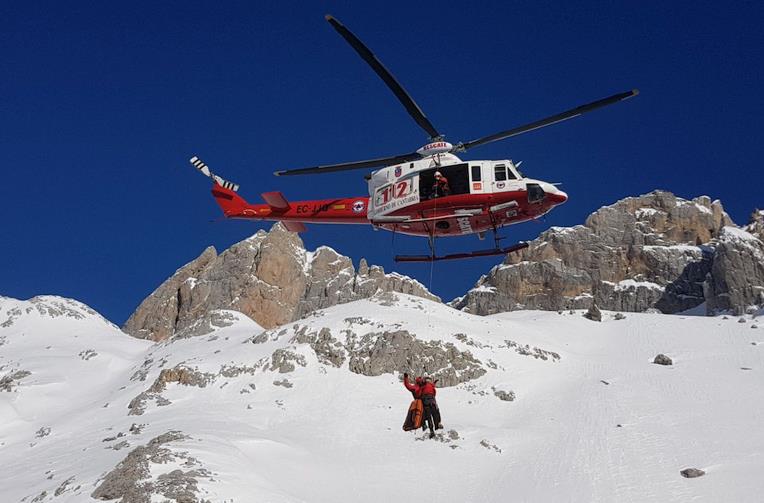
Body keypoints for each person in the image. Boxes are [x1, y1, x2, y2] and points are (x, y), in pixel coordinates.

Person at [403, 373, 440, 438]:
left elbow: (431, 386)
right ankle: (432, 428)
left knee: (431, 415)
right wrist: (406, 378)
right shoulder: (418, 386)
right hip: (424, 401)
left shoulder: (424, 385)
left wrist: (434, 383)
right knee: (431, 414)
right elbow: (408, 385)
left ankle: (433, 428)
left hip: (427, 401)